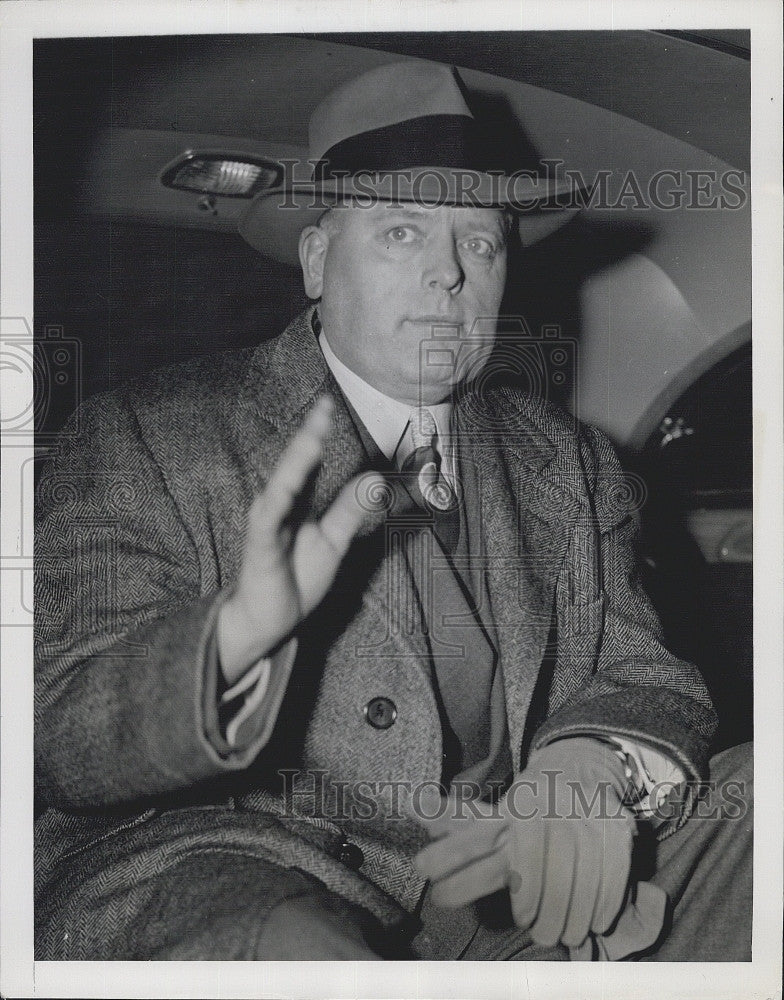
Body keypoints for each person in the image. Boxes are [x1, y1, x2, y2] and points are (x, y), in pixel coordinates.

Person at [34, 60, 752, 962]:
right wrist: (221, 648)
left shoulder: (568, 461)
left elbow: (642, 673)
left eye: (481, 243)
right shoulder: (144, 435)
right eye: (403, 232)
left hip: (505, 895)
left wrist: (592, 766)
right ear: (316, 260)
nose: (450, 274)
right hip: (237, 876)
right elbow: (56, 729)